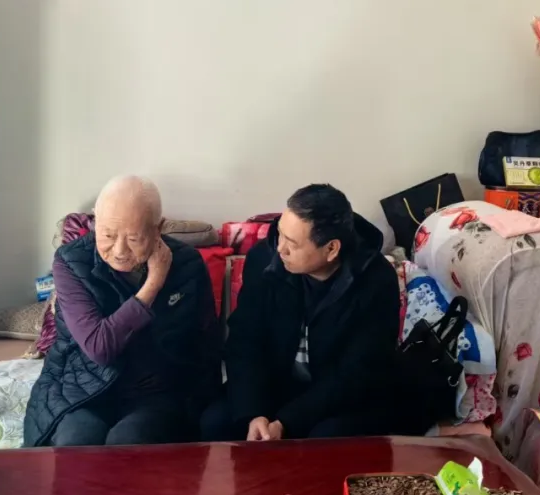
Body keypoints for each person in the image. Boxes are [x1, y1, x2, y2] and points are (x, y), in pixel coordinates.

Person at [202, 184, 428, 441]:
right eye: (280, 234)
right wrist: (254, 413)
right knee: (217, 421)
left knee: (327, 436)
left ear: (331, 249)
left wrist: (287, 422)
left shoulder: (375, 279)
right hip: (278, 384)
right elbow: (244, 340)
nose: (280, 248)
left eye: (292, 243)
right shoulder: (264, 259)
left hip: (343, 395)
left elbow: (359, 370)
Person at [23, 176, 220, 447]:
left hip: (155, 390)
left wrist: (203, 406)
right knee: (77, 442)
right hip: (82, 385)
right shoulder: (71, 261)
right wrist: (153, 284)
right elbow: (99, 347)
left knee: (128, 442)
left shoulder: (187, 263)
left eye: (133, 238)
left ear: (158, 228)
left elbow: (206, 339)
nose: (119, 250)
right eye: (108, 235)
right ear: (95, 221)